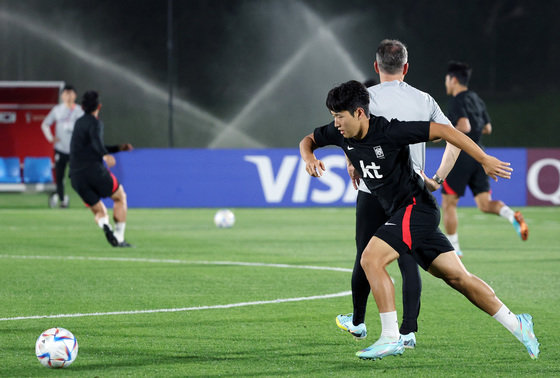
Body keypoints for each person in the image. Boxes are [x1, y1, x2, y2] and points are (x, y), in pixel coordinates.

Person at [299, 80, 539, 360]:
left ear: (360, 113)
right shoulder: (341, 133)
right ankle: (518, 323)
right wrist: (309, 157)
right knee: (458, 277)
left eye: (340, 116)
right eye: (333, 117)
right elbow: (309, 140)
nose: (336, 123)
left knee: (370, 259)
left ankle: (390, 337)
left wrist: (483, 158)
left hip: (417, 208)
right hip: (404, 214)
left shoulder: (390, 130)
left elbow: (446, 131)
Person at [335, 39, 460, 349]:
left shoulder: (366, 99)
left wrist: (352, 164)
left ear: (376, 67)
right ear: (406, 67)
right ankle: (407, 331)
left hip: (371, 190)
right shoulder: (424, 99)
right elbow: (455, 140)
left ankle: (359, 322)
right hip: (410, 192)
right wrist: (437, 178)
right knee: (407, 261)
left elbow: (346, 133)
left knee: (365, 257)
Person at [442, 61, 529, 257]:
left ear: (453, 79)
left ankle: (454, 248)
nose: (446, 83)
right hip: (481, 155)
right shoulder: (476, 99)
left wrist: (444, 133)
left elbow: (464, 127)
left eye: (447, 80)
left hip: (462, 154)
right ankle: (511, 215)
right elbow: (487, 128)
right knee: (484, 203)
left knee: (449, 203)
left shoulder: (456, 100)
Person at [69, 90, 133, 247]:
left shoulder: (78, 123)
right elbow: (97, 143)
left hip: (76, 176)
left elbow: (93, 145)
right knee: (120, 197)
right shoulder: (95, 123)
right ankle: (119, 237)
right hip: (94, 171)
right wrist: (105, 155)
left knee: (99, 211)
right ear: (99, 106)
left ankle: (104, 224)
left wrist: (118, 148)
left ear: (82, 106)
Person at [41, 84, 84, 208]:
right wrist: (50, 138)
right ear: (62, 96)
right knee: (59, 176)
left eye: (71, 93)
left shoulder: (80, 110)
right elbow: (45, 124)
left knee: (77, 176)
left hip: (75, 150)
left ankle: (86, 200)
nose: (68, 96)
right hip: (60, 149)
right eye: (66, 93)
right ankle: (62, 200)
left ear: (75, 95)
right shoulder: (57, 110)